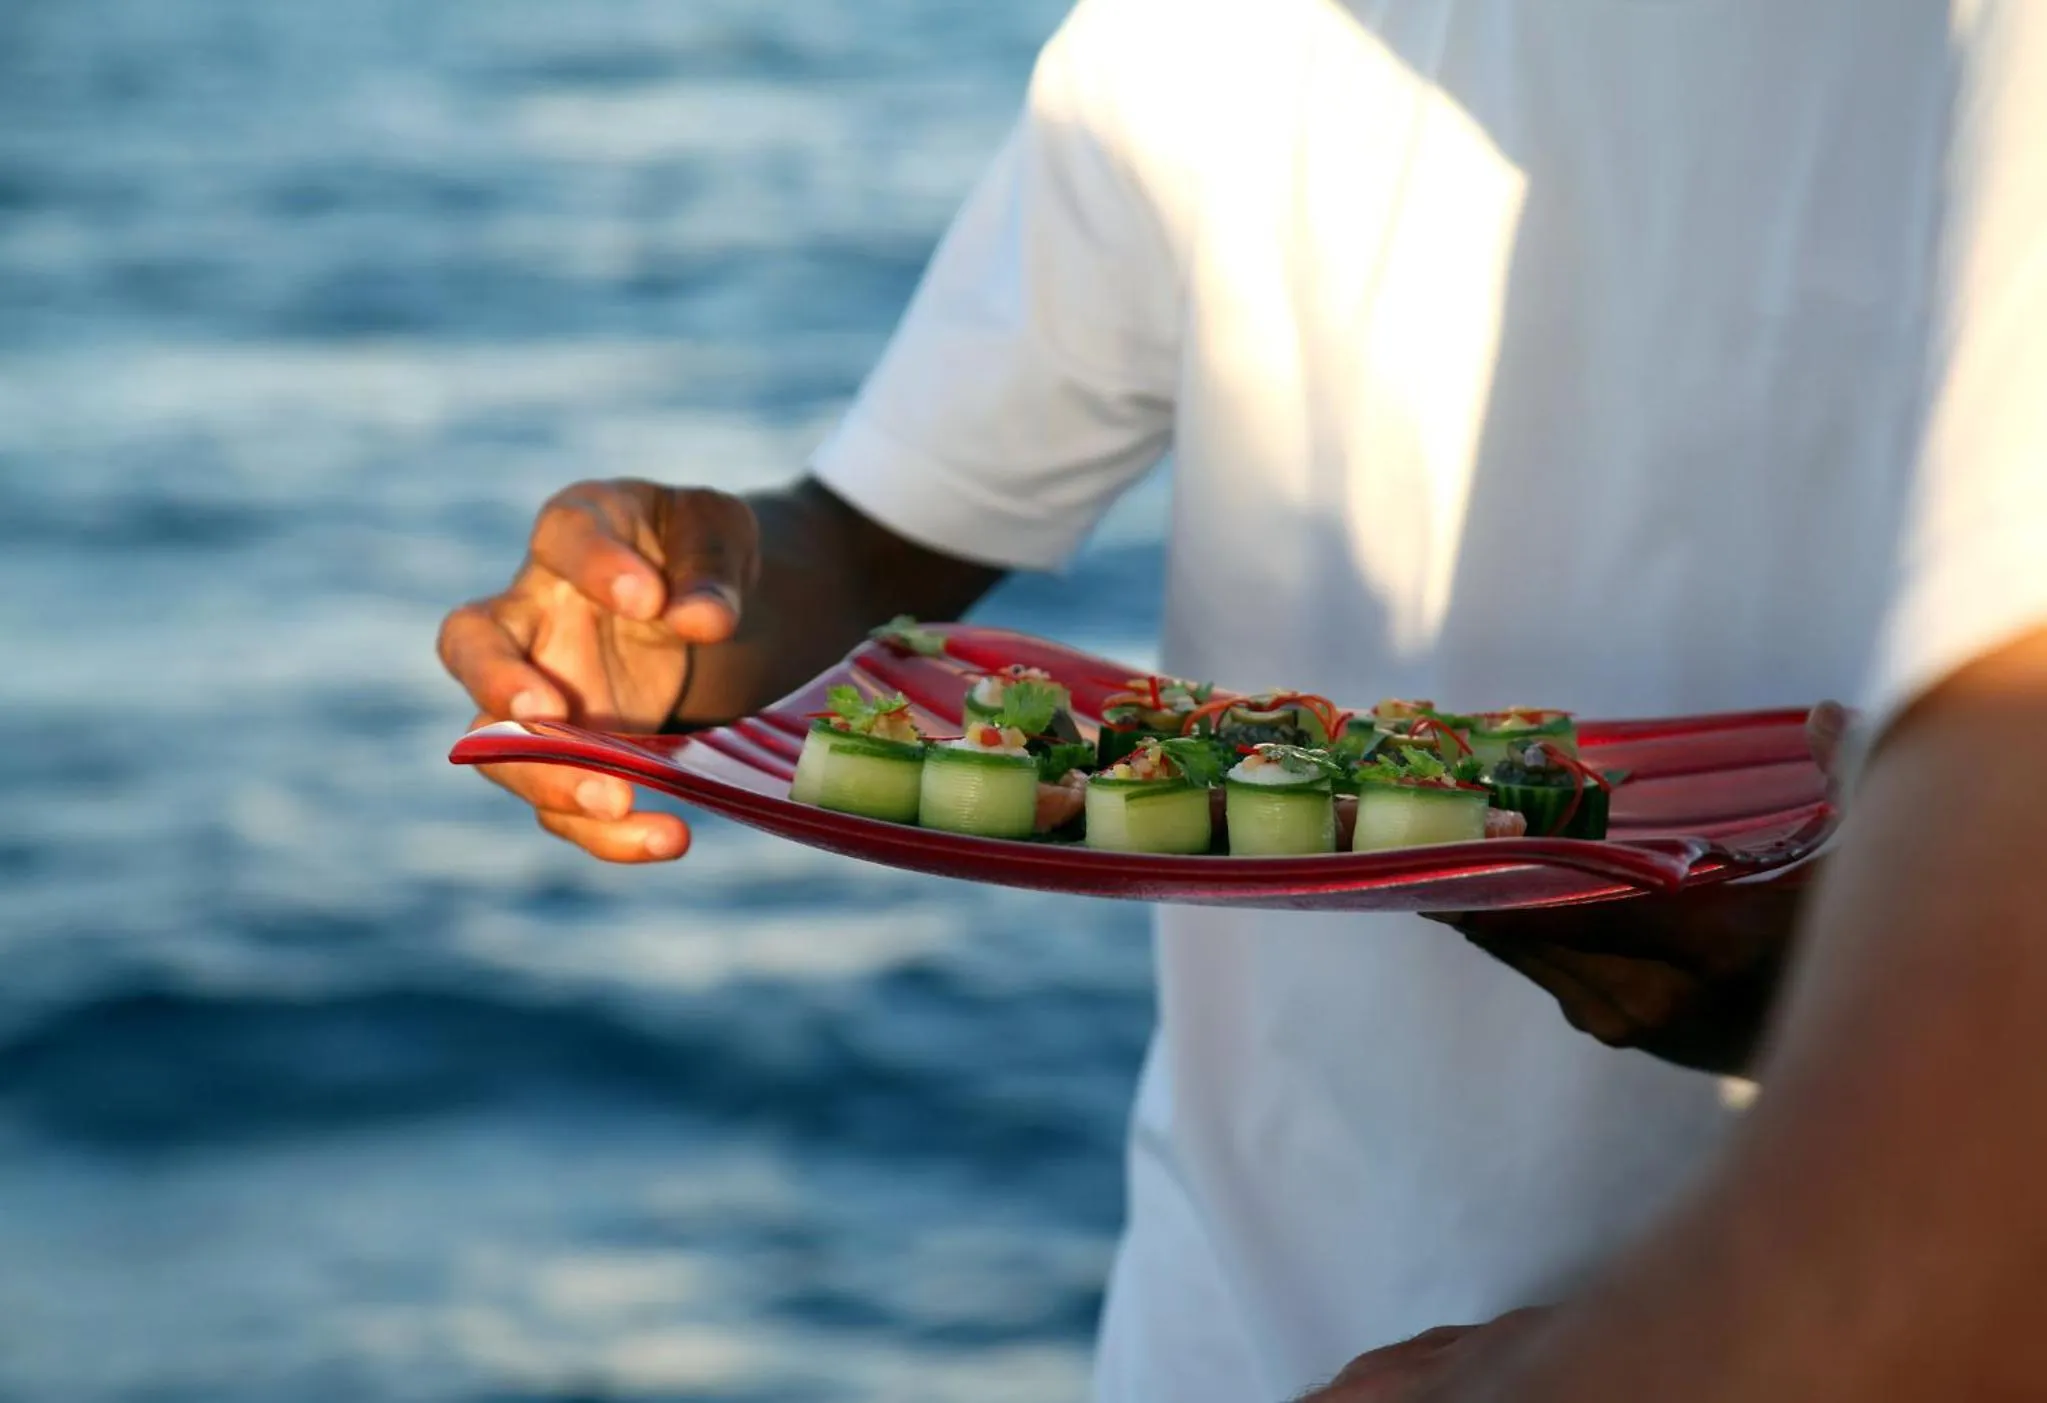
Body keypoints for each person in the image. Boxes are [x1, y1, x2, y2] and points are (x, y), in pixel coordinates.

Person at [438, 1, 2047, 1398]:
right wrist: (682, 620)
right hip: (1232, 1327)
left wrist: (1827, 976)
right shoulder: (1205, 27)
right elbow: (870, 532)